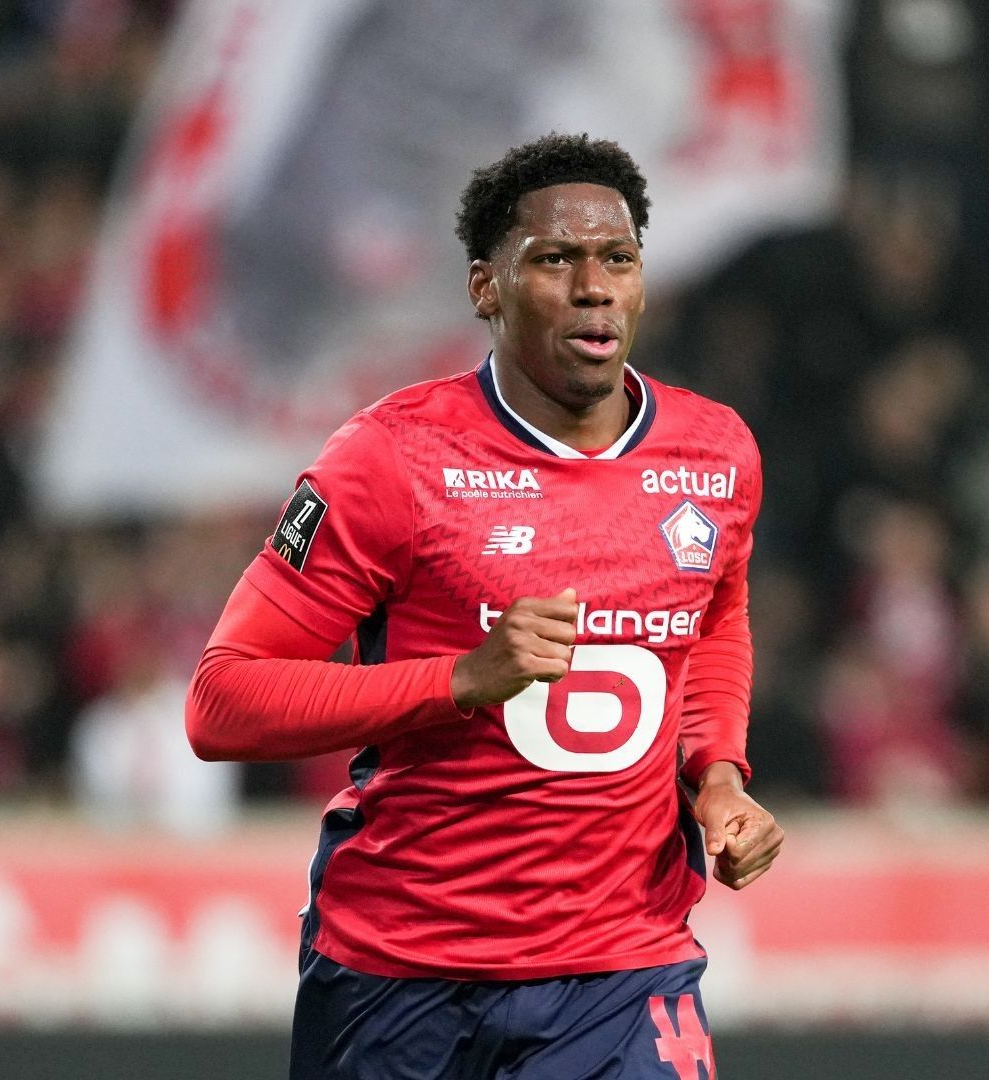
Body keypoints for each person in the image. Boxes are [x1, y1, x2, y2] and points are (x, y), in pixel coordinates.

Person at [186, 133, 782, 1079]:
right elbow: (222, 703)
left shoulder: (716, 454)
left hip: (623, 968)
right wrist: (461, 679)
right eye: (555, 260)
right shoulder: (389, 460)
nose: (593, 288)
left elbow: (712, 621)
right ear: (485, 287)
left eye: (617, 259)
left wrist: (717, 775)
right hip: (400, 972)